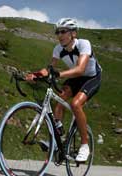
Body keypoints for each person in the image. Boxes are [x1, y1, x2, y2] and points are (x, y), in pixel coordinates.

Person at [25, 18, 102, 162]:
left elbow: (80, 69)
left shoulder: (84, 44)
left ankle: (85, 145)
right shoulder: (58, 49)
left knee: (75, 104)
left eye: (63, 31)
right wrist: (33, 75)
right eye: (57, 32)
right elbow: (49, 69)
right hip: (75, 78)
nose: (59, 35)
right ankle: (57, 140)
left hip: (91, 78)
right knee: (59, 100)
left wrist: (58, 74)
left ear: (73, 33)